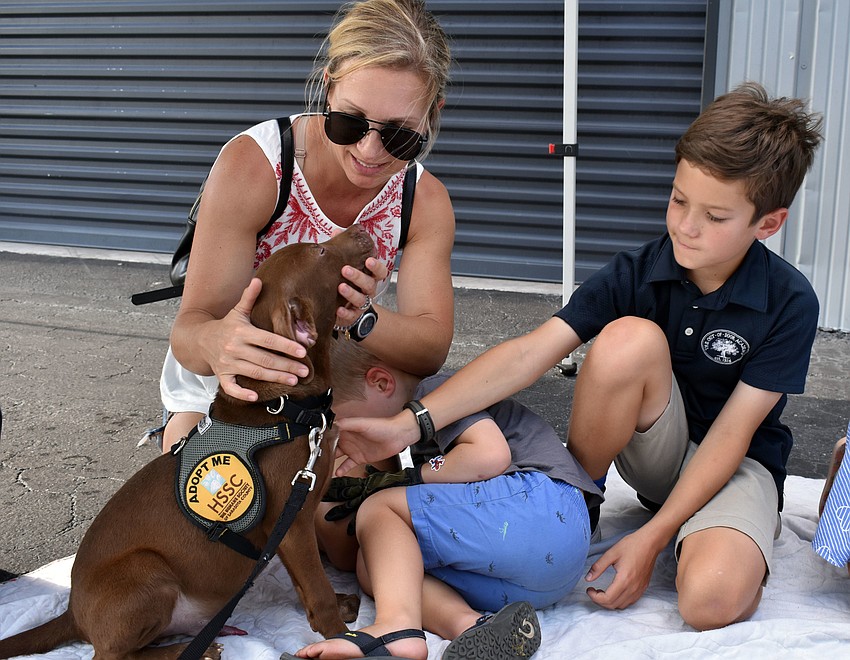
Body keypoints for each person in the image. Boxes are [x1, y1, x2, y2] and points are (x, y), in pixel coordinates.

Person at [334, 82, 824, 632]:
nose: (686, 226)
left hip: (735, 463)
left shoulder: (790, 301)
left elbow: (734, 436)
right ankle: (578, 508)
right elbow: (529, 355)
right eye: (679, 200)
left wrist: (649, 539)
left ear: (768, 224)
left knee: (709, 604)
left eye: (715, 217)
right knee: (627, 340)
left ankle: (718, 535)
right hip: (655, 453)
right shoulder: (637, 270)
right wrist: (409, 424)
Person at [158, 0, 455, 452]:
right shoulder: (257, 166)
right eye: (350, 122)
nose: (371, 151)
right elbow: (190, 332)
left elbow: (430, 350)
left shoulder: (424, 200)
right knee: (212, 493)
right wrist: (219, 342)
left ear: (432, 115)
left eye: (399, 134)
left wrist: (361, 318)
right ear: (328, 87)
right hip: (233, 378)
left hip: (334, 363)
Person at [286, 340, 602, 660]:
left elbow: (489, 455)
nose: (344, 439)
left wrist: (404, 479)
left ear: (380, 382)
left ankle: (396, 627)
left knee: (379, 508)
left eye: (343, 422)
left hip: (544, 502)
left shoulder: (435, 391)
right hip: (553, 571)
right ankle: (474, 627)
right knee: (376, 567)